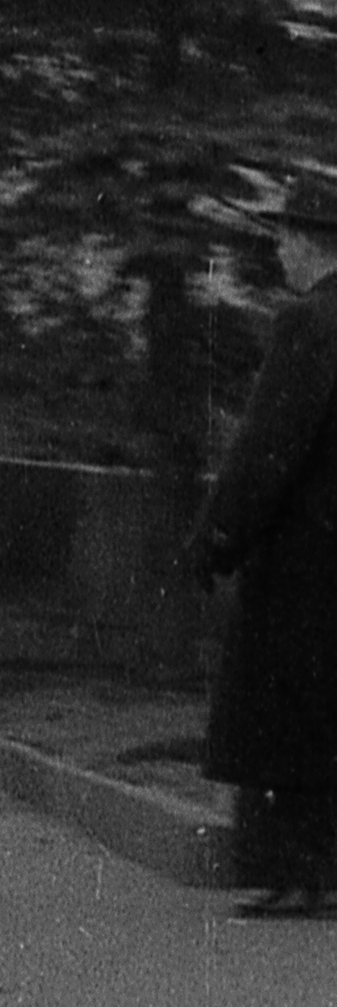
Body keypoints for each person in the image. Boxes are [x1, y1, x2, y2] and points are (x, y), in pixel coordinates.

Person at [193, 243, 337, 916]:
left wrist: (219, 534)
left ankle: (296, 874)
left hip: (303, 560)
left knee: (283, 716)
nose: (278, 247)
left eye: (283, 233)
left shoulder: (308, 321)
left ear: (311, 240)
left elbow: (267, 444)